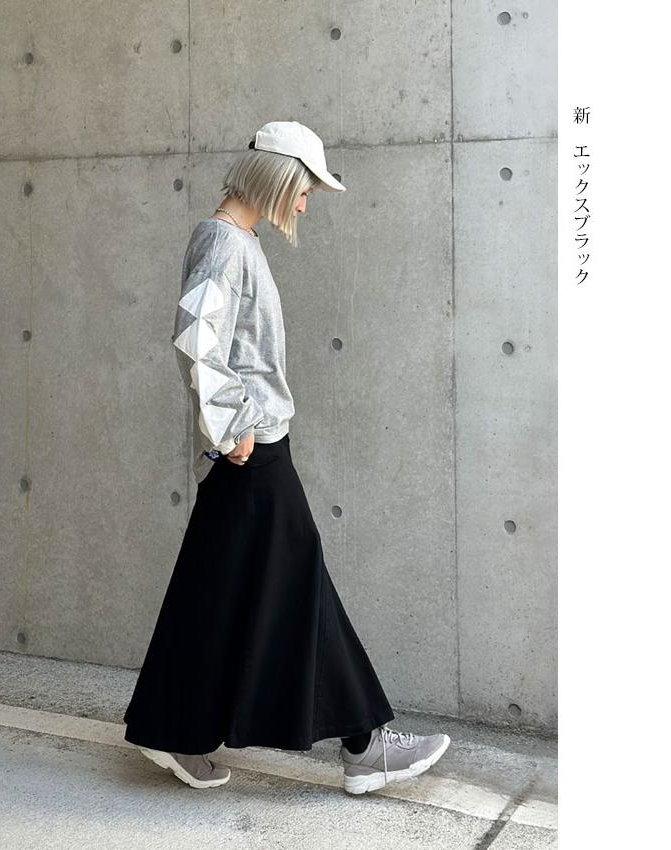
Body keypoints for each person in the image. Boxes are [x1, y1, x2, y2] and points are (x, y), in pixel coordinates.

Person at [122, 120, 451, 795]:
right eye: (304, 189)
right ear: (278, 177)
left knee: (215, 589)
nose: (304, 203)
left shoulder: (236, 241)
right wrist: (234, 424)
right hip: (254, 449)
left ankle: (170, 726)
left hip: (252, 446)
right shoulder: (223, 241)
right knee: (300, 583)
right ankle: (365, 745)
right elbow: (195, 334)